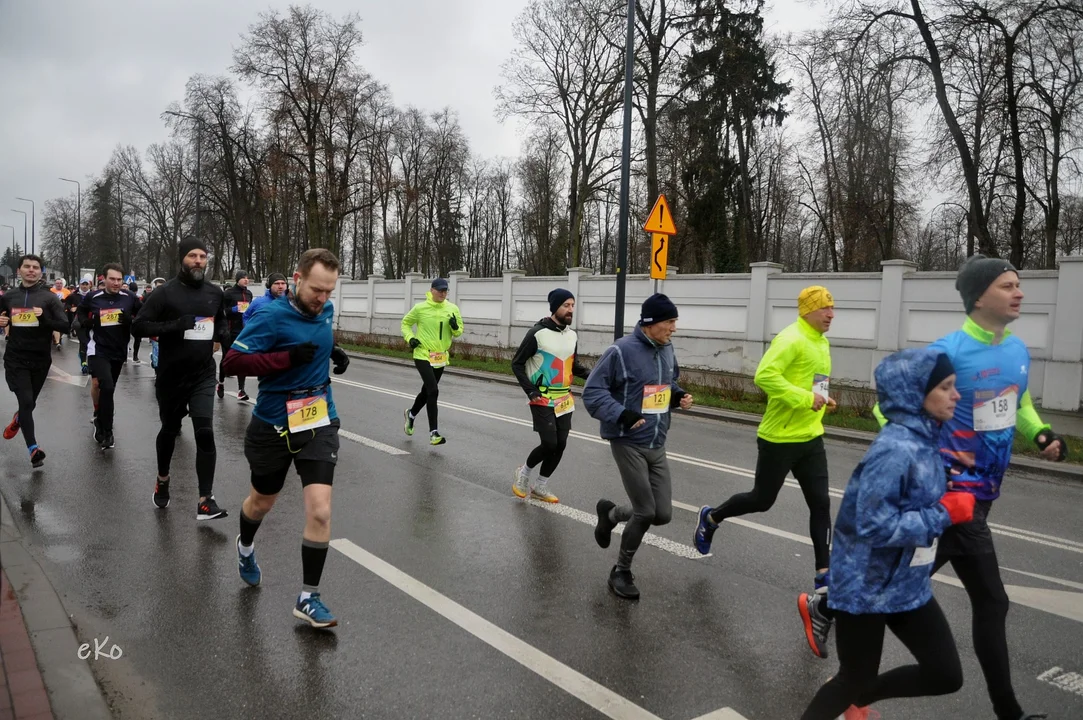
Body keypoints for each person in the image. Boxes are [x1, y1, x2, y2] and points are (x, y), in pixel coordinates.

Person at [843, 254, 1062, 720]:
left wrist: (1040, 434)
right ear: (979, 296)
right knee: (991, 601)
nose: (1019, 292)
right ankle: (1009, 712)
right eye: (1007, 286)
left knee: (902, 581)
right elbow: (890, 410)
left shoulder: (1018, 351)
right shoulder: (950, 351)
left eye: (1018, 284)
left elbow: (1016, 403)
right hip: (951, 497)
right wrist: (938, 459)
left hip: (980, 497)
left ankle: (831, 616)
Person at [800, 347, 971, 720]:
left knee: (945, 674)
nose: (956, 395)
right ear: (915, 394)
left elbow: (909, 495)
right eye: (945, 387)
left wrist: (946, 481)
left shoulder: (926, 439)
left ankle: (857, 700)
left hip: (906, 582)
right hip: (865, 586)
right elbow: (873, 524)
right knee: (853, 678)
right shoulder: (893, 449)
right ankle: (852, 695)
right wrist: (944, 513)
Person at [694, 285, 836, 637]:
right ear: (807, 311)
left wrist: (823, 399)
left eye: (833, 309)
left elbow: (816, 383)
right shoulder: (791, 339)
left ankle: (823, 577)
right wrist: (806, 398)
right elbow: (764, 377)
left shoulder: (821, 341)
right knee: (762, 500)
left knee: (820, 504)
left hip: (811, 438)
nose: (831, 314)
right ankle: (711, 517)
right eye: (825, 309)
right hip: (778, 438)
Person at [222, 248, 350, 628]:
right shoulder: (269, 315)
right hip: (273, 425)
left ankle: (309, 596)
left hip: (318, 420)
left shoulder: (324, 311)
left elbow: (316, 337)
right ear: (297, 279)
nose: (323, 299)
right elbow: (232, 363)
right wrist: (287, 359)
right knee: (261, 502)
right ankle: (245, 546)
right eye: (316, 290)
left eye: (329, 291)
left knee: (320, 509)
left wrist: (334, 352)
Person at [583, 294, 694, 600]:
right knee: (645, 511)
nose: (673, 328)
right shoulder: (621, 351)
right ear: (650, 323)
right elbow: (592, 392)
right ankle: (621, 570)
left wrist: (678, 396)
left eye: (674, 322)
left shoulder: (667, 349)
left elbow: (667, 383)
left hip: (657, 440)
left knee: (663, 514)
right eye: (669, 322)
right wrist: (622, 414)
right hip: (627, 440)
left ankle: (611, 515)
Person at [133, 237, 229, 520]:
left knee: (205, 431)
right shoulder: (165, 294)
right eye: (192, 256)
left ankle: (205, 500)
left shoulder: (214, 293)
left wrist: (224, 336)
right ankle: (163, 478)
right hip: (172, 375)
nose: (198, 261)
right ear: (182, 259)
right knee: (169, 431)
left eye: (203, 256)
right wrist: (175, 326)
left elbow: (220, 320)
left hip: (202, 373)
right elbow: (138, 326)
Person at [510, 288, 590, 503]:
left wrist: (594, 376)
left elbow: (574, 365)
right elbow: (516, 364)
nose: (570, 310)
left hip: (564, 399)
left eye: (572, 305)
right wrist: (531, 391)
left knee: (561, 443)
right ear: (555, 307)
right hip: (542, 398)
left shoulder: (572, 335)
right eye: (566, 305)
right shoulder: (537, 333)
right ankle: (524, 473)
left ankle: (541, 485)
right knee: (549, 443)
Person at [0, 255, 70, 467]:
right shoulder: (8, 296)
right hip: (16, 358)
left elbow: (65, 326)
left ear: (41, 271)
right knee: (27, 402)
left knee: (29, 405)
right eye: (27, 267)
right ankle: (33, 450)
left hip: (40, 360)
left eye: (35, 267)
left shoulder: (49, 299)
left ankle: (20, 419)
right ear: (19, 270)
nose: (31, 270)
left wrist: (44, 319)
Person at [80, 264, 141, 450]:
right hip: (98, 349)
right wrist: (87, 322)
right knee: (104, 385)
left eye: (119, 280)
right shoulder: (93, 297)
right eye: (112, 279)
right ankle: (106, 430)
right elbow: (80, 313)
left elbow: (144, 315)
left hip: (119, 350)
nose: (116, 283)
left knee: (109, 389)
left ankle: (100, 418)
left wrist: (130, 320)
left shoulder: (129, 297)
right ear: (103, 279)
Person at [401, 277, 463, 446]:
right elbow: (405, 323)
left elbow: (458, 332)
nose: (443, 293)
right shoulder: (420, 308)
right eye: (440, 290)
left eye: (445, 291)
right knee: (433, 390)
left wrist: (454, 326)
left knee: (427, 391)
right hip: (422, 354)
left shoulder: (452, 309)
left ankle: (411, 414)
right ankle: (433, 433)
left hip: (441, 356)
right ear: (432, 290)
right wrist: (410, 338)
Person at [219, 270, 254, 400]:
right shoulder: (228, 294)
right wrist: (233, 310)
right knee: (226, 358)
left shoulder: (249, 294)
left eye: (247, 278)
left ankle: (241, 390)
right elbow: (221, 311)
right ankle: (221, 383)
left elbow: (250, 310)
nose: (246, 280)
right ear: (237, 279)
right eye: (243, 278)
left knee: (242, 360)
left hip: (243, 331)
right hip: (229, 330)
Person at [48, 278, 71, 349]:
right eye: (57, 283)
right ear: (55, 284)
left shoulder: (67, 291)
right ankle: (56, 340)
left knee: (64, 325)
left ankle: (59, 337)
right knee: (55, 325)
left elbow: (69, 301)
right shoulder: (51, 291)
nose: (59, 285)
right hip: (53, 311)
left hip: (64, 311)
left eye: (60, 283)